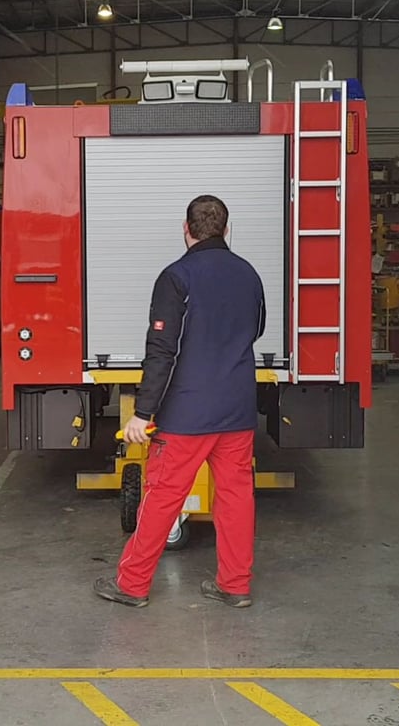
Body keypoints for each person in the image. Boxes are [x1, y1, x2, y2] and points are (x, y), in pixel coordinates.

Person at [94, 195, 266, 609]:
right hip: (238, 410)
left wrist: (143, 412)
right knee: (236, 498)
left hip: (187, 415)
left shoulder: (176, 277)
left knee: (162, 498)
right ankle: (235, 585)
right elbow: (256, 330)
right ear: (227, 230)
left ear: (185, 229)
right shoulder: (250, 275)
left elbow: (161, 349)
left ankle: (132, 585)